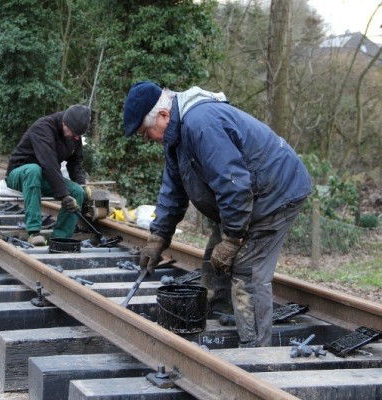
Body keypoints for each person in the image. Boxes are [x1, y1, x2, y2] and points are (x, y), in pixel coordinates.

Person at [123, 81, 312, 347]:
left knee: (246, 269)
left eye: (146, 133)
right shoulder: (175, 137)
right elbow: (173, 191)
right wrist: (158, 239)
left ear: (163, 116)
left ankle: (256, 349)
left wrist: (233, 238)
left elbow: (232, 183)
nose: (148, 139)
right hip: (251, 195)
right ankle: (221, 318)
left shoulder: (201, 124)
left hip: (275, 193)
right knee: (216, 262)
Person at [5, 104, 92, 246]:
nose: (72, 137)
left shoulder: (74, 136)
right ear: (64, 122)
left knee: (77, 191)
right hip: (19, 174)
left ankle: (60, 238)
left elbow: (75, 162)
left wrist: (82, 183)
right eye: (70, 132)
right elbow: (48, 163)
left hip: (44, 177)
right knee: (34, 170)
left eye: (76, 136)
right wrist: (63, 195)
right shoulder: (43, 127)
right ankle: (33, 232)